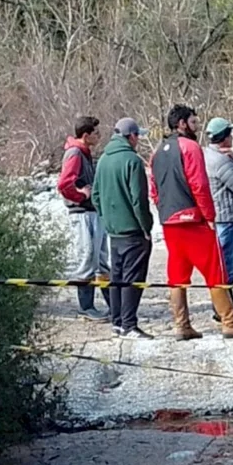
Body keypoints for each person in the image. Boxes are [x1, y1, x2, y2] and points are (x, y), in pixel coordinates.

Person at [150, 104, 233, 342]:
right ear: (182, 124)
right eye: (194, 122)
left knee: (177, 275)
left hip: (169, 220)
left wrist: (163, 211)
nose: (197, 127)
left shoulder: (157, 152)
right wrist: (209, 217)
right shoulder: (190, 148)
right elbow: (199, 185)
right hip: (192, 219)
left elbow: (154, 190)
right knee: (215, 270)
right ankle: (230, 321)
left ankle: (182, 324)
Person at [92, 118, 154, 339]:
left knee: (117, 278)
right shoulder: (132, 161)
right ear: (132, 136)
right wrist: (146, 226)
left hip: (114, 232)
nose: (138, 140)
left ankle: (117, 322)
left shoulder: (103, 160)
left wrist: (107, 219)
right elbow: (139, 200)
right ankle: (129, 324)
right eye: (138, 136)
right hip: (133, 231)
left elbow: (95, 195)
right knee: (133, 279)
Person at [57, 115, 111, 321]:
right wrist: (81, 195)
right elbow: (64, 184)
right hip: (82, 214)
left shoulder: (85, 153)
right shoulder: (75, 154)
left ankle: (113, 304)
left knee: (101, 260)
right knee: (87, 258)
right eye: (96, 133)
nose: (99, 136)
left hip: (92, 213)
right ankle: (86, 307)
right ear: (86, 135)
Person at [203, 116, 233, 322]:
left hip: (216, 216)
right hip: (226, 216)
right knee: (227, 267)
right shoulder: (221, 161)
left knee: (220, 264)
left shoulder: (206, 155)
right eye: (230, 134)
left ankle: (221, 310)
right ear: (225, 138)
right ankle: (225, 312)